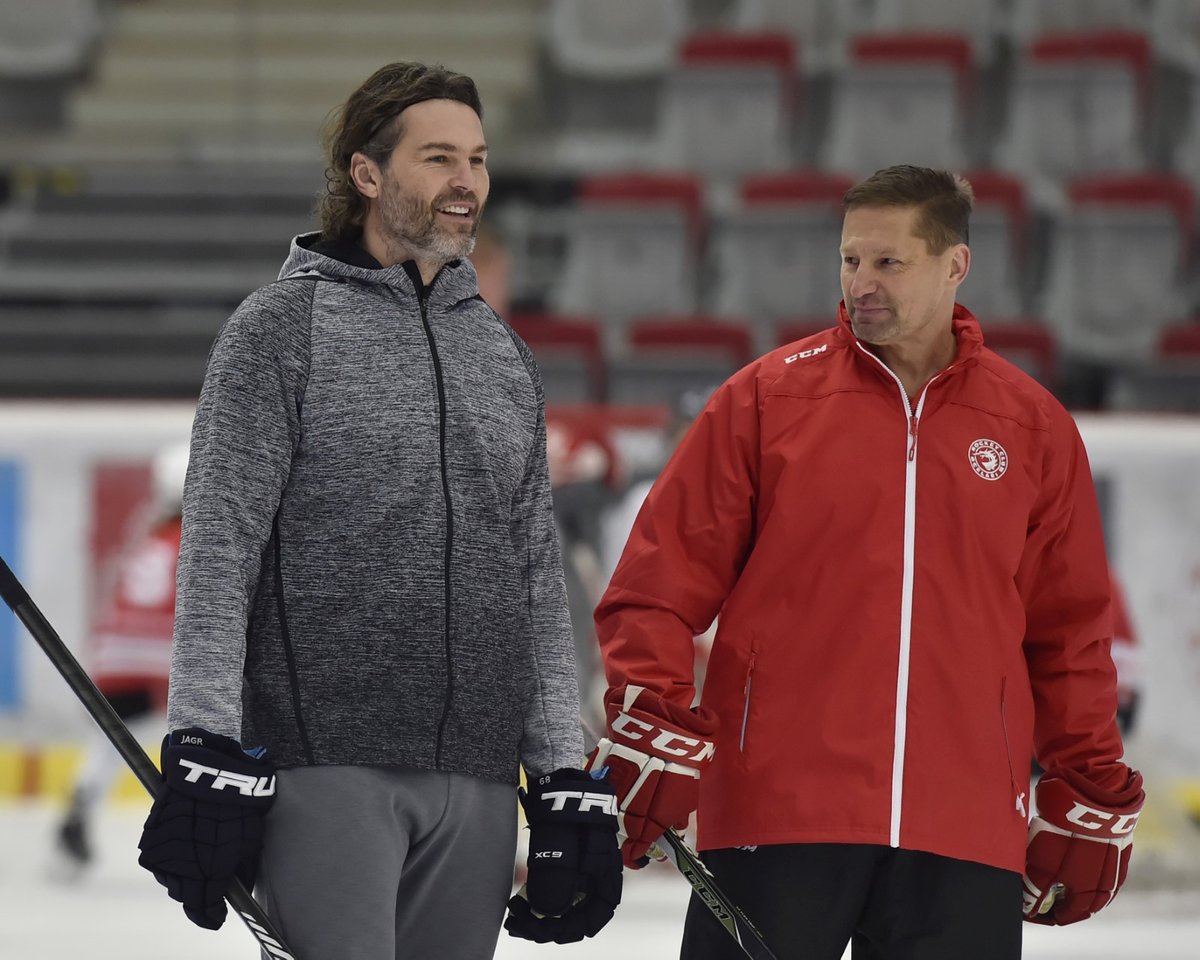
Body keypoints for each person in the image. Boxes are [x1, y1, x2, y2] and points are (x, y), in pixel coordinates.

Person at [588, 165, 1144, 960]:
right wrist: (653, 718)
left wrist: (1086, 777)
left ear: (955, 265)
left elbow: (1068, 635)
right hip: (777, 814)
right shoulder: (763, 401)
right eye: (851, 260)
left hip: (962, 828)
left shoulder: (1033, 428)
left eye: (889, 262)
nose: (862, 283)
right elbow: (654, 585)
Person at [134, 61, 621, 959]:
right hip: (328, 766)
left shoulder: (503, 357)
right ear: (367, 173)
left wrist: (558, 765)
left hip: (476, 785)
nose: (466, 182)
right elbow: (220, 549)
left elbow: (535, 586)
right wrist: (201, 731)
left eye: (476, 159)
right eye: (438, 158)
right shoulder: (278, 331)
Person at [54, 442, 188, 872]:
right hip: (169, 651)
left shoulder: (148, 537)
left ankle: (80, 806)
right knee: (213, 731)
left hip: (118, 653)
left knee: (111, 737)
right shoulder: (200, 537)